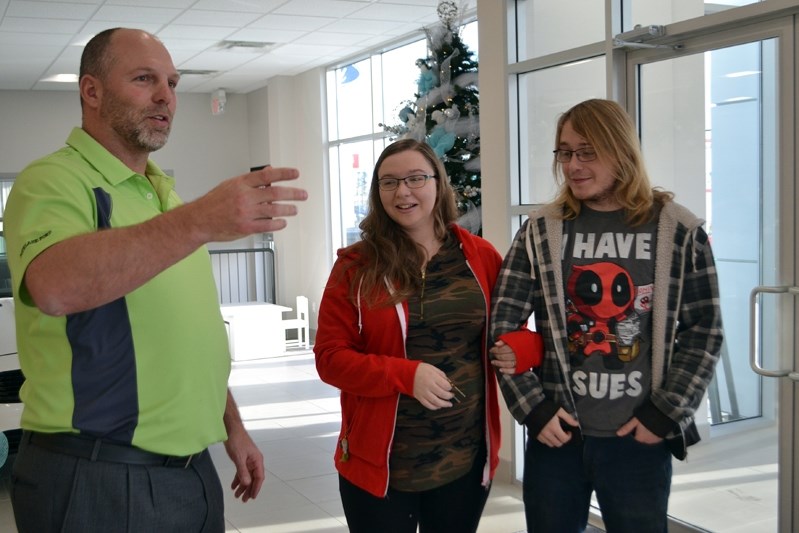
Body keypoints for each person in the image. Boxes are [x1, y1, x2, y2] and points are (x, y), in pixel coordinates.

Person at [4, 28, 307, 532]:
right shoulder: (53, 180)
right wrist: (199, 221)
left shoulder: (163, 196)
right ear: (92, 91)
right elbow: (55, 286)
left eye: (172, 81)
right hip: (97, 474)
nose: (167, 96)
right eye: (145, 79)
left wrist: (232, 426)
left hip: (190, 470)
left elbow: (185, 333)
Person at [489, 98, 724, 533]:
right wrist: (533, 410)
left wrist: (666, 414)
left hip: (639, 438)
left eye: (587, 151)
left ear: (621, 150)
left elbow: (704, 332)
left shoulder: (679, 230)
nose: (573, 164)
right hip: (557, 434)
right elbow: (503, 325)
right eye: (565, 152)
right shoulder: (541, 232)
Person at [314, 139, 503, 533]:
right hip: (382, 465)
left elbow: (508, 331)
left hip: (462, 458)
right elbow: (330, 358)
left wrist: (521, 349)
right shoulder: (355, 267)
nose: (402, 192)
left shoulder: (480, 257)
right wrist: (405, 375)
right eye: (389, 182)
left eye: (416, 178)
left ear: (438, 183)